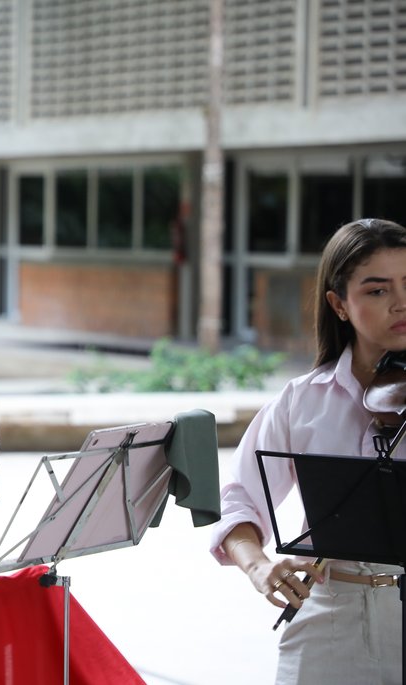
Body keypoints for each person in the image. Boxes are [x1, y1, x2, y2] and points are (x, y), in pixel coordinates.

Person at [210, 218, 405, 684]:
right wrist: (258, 565)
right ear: (339, 304)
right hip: (326, 616)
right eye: (377, 291)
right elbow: (238, 498)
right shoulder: (301, 400)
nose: (401, 302)